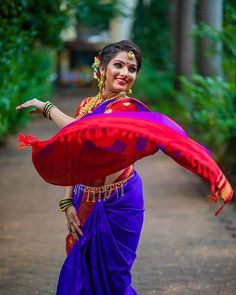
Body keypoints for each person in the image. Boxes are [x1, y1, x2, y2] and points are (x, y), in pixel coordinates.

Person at [16, 40, 233, 295]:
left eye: (132, 69)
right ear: (102, 67)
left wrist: (48, 108)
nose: (125, 73)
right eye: (118, 65)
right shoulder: (86, 104)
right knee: (79, 277)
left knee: (114, 280)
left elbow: (84, 134)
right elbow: (72, 153)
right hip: (84, 198)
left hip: (120, 203)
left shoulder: (127, 110)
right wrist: (67, 203)